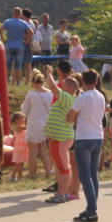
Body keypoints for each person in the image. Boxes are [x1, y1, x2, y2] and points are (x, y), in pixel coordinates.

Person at [67, 70, 106, 222]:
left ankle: (91, 210)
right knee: (93, 174)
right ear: (96, 81)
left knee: (85, 175)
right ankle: (92, 207)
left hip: (84, 137)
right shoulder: (101, 96)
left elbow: (69, 118)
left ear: (82, 81)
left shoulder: (83, 98)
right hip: (97, 136)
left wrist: (76, 117)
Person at [42, 68, 76, 205]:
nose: (60, 85)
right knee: (62, 166)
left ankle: (62, 194)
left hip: (61, 139)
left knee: (64, 167)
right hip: (58, 138)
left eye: (63, 84)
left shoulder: (67, 98)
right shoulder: (66, 99)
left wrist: (49, 73)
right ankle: (62, 193)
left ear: (68, 87)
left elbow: (53, 89)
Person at [21, 71, 53, 180]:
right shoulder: (51, 93)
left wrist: (22, 105)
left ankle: (32, 174)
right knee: (43, 150)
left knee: (32, 151)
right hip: (46, 125)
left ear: (34, 82)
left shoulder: (31, 94)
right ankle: (48, 172)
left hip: (34, 124)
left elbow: (24, 111)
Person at [1, 7, 34, 86]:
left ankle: (6, 81)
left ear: (13, 13)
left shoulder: (8, 21)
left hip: (9, 45)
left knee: (8, 65)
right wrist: (27, 41)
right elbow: (31, 32)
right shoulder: (23, 23)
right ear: (20, 15)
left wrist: (4, 39)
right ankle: (18, 82)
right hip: (20, 46)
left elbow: (0, 30)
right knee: (18, 65)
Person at [8, 112, 28, 182]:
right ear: (17, 120)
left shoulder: (21, 126)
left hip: (23, 148)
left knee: (21, 163)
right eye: (23, 119)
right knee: (19, 163)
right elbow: (27, 127)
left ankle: (20, 177)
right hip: (19, 148)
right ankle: (12, 175)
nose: (24, 120)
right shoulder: (18, 127)